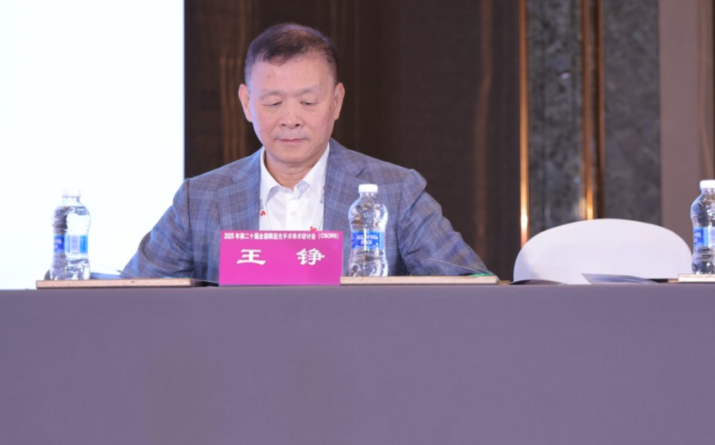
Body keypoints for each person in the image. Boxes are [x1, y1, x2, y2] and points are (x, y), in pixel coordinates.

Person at [125, 23, 487, 281]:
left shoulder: (397, 191)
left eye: (308, 102)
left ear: (337, 101)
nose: (291, 119)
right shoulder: (200, 199)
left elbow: (471, 288)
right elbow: (131, 297)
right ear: (246, 103)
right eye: (273, 102)